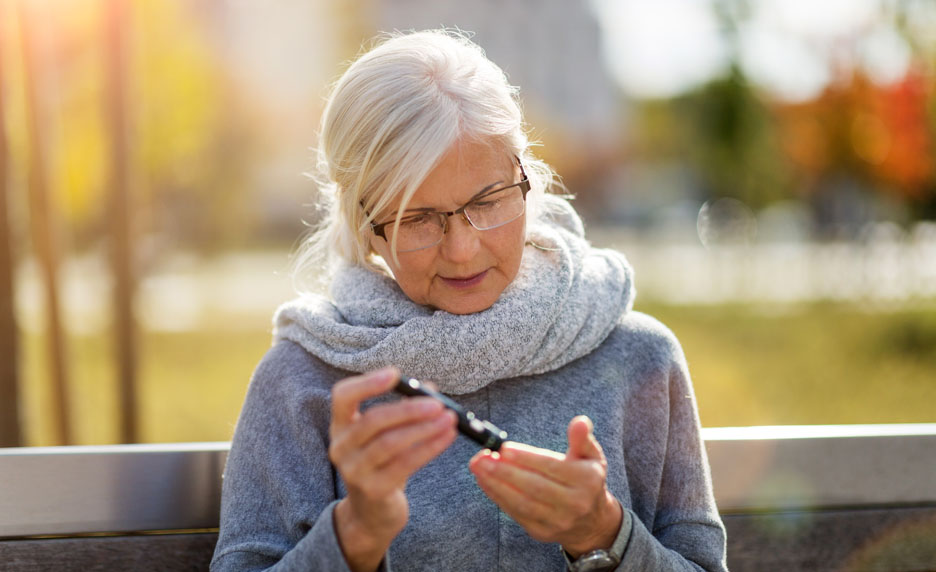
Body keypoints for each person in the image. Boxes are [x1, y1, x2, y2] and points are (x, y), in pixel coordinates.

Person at [211, 29, 727, 572]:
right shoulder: (301, 382)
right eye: (417, 218)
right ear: (366, 228)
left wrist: (604, 533)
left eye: (488, 200)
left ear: (526, 179)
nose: (462, 251)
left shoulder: (642, 360)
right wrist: (353, 538)